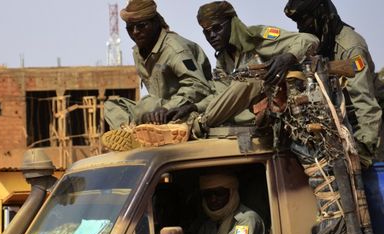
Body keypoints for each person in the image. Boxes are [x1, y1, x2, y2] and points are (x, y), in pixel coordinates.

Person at [132, 1, 319, 145]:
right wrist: (193, 107)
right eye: (206, 32)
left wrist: (287, 57)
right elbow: (220, 95)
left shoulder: (259, 37)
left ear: (232, 23)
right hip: (238, 118)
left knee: (248, 83)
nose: (212, 36)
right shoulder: (223, 60)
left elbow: (309, 39)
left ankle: (195, 126)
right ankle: (187, 122)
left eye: (217, 28)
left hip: (269, 113)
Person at [284, 0, 384, 165]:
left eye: (304, 20)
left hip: (364, 127)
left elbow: (365, 102)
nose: (300, 27)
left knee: (369, 186)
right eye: (296, 22)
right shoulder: (317, 43)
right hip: (339, 125)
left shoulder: (350, 47)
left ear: (321, 15)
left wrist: (364, 148)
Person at [101, 0, 213, 151]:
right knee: (112, 105)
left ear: (154, 22)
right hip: (157, 112)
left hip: (183, 110)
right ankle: (131, 134)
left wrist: (166, 108)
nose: (135, 32)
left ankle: (161, 131)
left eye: (141, 26)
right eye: (130, 28)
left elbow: (198, 86)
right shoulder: (139, 51)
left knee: (146, 104)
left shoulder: (174, 49)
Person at [189, 173, 266, 234]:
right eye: (208, 194)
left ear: (231, 193)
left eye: (219, 193)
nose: (213, 199)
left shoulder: (247, 219)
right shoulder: (210, 224)